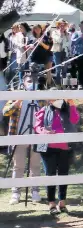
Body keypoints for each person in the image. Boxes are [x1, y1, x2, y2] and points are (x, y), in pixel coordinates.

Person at [34, 92, 79, 214]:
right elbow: (37, 127)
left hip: (65, 147)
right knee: (50, 175)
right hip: (48, 148)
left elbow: (75, 120)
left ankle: (62, 202)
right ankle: (51, 204)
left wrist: (72, 103)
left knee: (64, 174)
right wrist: (45, 132)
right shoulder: (44, 109)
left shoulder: (67, 109)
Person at [2, 74, 43, 205]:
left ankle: (35, 191)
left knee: (35, 166)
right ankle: (16, 193)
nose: (32, 83)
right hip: (19, 136)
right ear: (24, 83)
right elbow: (6, 112)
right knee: (18, 166)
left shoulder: (39, 98)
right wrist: (17, 102)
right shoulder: (16, 96)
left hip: (37, 136)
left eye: (34, 81)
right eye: (29, 81)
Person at [51, 19, 71, 87]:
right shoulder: (54, 32)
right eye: (61, 25)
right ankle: (58, 84)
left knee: (64, 69)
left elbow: (69, 43)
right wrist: (62, 34)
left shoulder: (68, 34)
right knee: (58, 69)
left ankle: (64, 85)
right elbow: (58, 40)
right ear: (58, 25)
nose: (62, 26)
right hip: (57, 52)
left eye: (64, 25)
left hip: (65, 52)